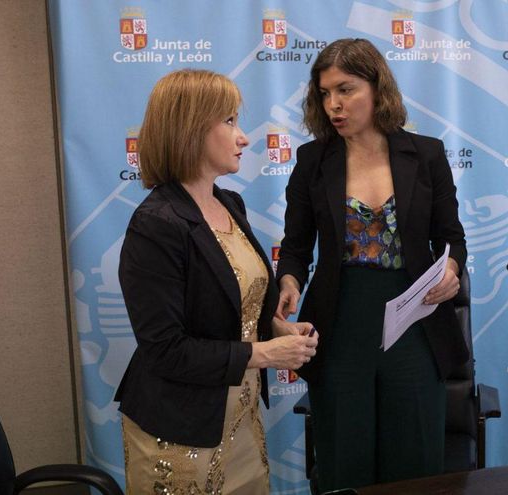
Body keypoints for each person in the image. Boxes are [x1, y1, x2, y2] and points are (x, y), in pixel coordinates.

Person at [275, 38, 468, 491]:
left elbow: (452, 238)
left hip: (414, 322)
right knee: (346, 461)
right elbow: (298, 246)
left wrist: (453, 268)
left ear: (377, 88)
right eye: (324, 94)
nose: (333, 105)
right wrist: (288, 279)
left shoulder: (426, 154)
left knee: (415, 463)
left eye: (345, 90)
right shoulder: (312, 160)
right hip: (340, 323)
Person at [116, 69, 318, 494]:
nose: (243, 137)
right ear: (190, 130)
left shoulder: (230, 203)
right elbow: (166, 350)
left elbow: (232, 310)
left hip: (241, 424)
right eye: (229, 122)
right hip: (179, 433)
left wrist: (275, 329)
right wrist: (264, 352)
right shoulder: (156, 224)